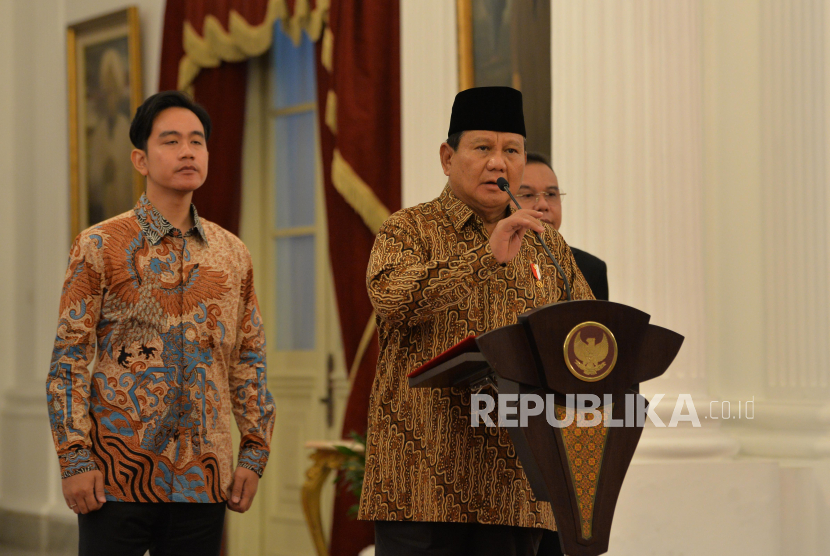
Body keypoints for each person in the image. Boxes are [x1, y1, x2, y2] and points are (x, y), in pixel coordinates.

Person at [358, 87, 593, 556]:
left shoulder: (548, 245)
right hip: (420, 486)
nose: (498, 163)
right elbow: (393, 299)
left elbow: (581, 333)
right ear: (448, 157)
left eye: (511, 151)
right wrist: (484, 258)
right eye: (482, 148)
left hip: (517, 490)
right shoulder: (407, 229)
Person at [46, 90, 275, 556]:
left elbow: (248, 358)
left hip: (204, 477)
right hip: (116, 476)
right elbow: (69, 358)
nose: (188, 150)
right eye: (171, 141)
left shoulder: (232, 254)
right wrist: (74, 458)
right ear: (141, 159)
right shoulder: (100, 245)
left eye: (197, 141)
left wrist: (254, 451)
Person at [515, 152, 608, 300]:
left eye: (551, 195)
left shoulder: (590, 268)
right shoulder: (493, 262)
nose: (543, 205)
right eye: (527, 195)